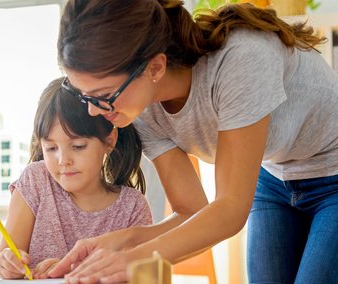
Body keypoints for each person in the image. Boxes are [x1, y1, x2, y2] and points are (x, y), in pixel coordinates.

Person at [47, 0, 338, 283]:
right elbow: (192, 211)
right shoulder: (141, 109)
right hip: (275, 176)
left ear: (155, 68)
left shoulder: (242, 57)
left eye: (103, 94)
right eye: (84, 95)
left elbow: (230, 209)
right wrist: (121, 242)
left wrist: (135, 259)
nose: (93, 110)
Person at [0, 78, 152, 279]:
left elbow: (141, 276)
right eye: (51, 148)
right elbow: (4, 260)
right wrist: (5, 263)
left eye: (77, 146)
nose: (63, 160)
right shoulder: (36, 181)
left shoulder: (132, 207)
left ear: (109, 140)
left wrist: (71, 271)